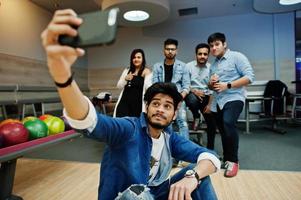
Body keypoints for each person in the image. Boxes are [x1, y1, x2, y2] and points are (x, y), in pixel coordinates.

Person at [41, 9, 221, 200]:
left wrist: (193, 175)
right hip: (125, 197)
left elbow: (210, 157)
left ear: (174, 114)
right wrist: (63, 76)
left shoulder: (170, 138)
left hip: (153, 194)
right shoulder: (129, 128)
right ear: (147, 107)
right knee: (138, 194)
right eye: (156, 104)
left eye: (167, 106)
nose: (160, 109)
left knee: (197, 174)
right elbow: (90, 122)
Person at [207, 32, 255, 177]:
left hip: (234, 97)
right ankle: (227, 158)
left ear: (224, 44)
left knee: (228, 123)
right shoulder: (213, 65)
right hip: (218, 102)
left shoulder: (237, 57)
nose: (214, 48)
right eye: (211, 46)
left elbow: (249, 77)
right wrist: (210, 83)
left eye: (217, 44)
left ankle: (233, 161)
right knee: (223, 131)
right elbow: (211, 87)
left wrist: (227, 85)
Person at [152, 38, 190, 140]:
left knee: (183, 122)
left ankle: (185, 149)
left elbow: (186, 87)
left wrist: (179, 99)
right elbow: (155, 85)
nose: (170, 51)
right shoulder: (157, 66)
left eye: (172, 49)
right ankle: (168, 149)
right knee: (166, 123)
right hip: (163, 99)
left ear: (176, 51)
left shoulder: (183, 66)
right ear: (164, 50)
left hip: (178, 98)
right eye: (167, 49)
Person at [185, 43, 217, 150]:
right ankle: (196, 116)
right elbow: (185, 84)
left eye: (205, 54)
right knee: (192, 100)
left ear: (208, 55)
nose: (202, 56)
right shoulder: (188, 66)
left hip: (207, 97)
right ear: (196, 55)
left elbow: (214, 89)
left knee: (211, 123)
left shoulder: (212, 68)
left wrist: (210, 105)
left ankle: (210, 149)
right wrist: (194, 91)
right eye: (200, 54)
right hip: (192, 95)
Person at [113, 49, 152, 117]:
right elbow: (119, 86)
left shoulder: (146, 71)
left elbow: (149, 89)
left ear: (143, 59)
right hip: (124, 103)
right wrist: (125, 79)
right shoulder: (127, 70)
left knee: (135, 125)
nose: (136, 59)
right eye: (134, 57)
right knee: (121, 123)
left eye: (138, 57)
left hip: (138, 105)